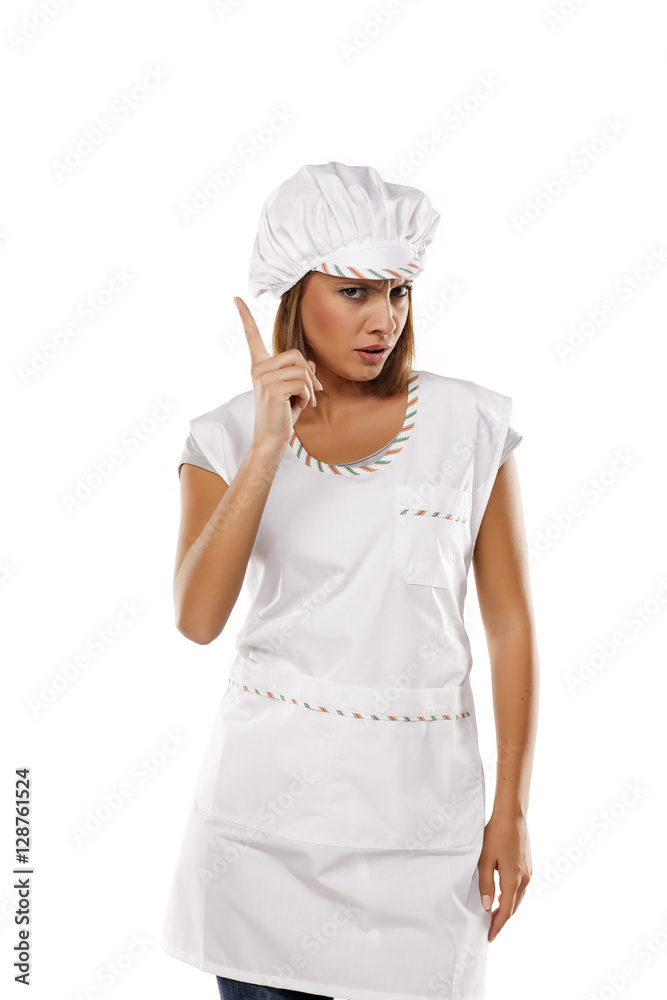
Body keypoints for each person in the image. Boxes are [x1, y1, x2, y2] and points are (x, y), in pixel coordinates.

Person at [159, 161, 539, 1000]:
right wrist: (266, 448)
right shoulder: (223, 439)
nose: (384, 319)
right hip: (263, 843)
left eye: (397, 292)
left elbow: (508, 625)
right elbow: (196, 617)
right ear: (296, 293)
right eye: (355, 292)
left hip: (421, 835)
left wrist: (509, 805)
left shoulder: (469, 425)